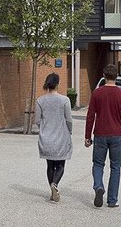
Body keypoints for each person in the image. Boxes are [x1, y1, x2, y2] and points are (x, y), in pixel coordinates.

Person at [84, 63, 121, 208]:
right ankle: (112, 200)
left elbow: (90, 116)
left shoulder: (97, 93)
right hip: (117, 135)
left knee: (98, 164)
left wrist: (87, 136)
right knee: (116, 167)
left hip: (100, 134)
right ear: (116, 77)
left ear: (104, 76)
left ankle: (98, 186)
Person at [35, 72, 72, 202]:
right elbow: (69, 120)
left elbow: (37, 120)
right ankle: (54, 184)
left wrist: (44, 129)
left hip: (46, 138)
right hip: (61, 137)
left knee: (50, 165)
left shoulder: (40, 100)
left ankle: (52, 191)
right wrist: (69, 132)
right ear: (57, 84)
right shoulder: (64, 100)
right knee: (60, 164)